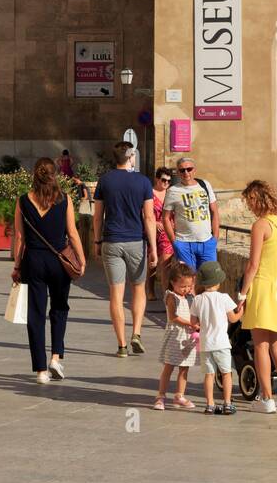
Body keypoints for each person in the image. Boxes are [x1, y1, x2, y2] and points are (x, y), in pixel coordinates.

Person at [11, 158, 86, 384]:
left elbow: (20, 237)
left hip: (33, 260)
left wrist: (16, 266)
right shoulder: (65, 200)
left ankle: (41, 370)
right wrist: (81, 260)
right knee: (60, 308)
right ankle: (56, 357)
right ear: (56, 175)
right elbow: (72, 233)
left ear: (35, 175)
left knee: (36, 313)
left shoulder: (23, 201)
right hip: (58, 260)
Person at [236, 180, 277, 413]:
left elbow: (253, 264)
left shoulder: (261, 225)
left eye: (250, 201)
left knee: (261, 345)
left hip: (265, 287)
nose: (249, 206)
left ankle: (266, 398)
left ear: (258, 199)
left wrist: (242, 294)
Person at [92, 140, 158, 357]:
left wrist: (97, 241)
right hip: (136, 242)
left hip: (111, 241)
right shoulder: (143, 182)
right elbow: (149, 217)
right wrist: (154, 248)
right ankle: (136, 333)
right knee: (138, 289)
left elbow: (97, 216)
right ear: (131, 157)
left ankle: (121, 345)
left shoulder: (105, 181)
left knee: (116, 295)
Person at [189, 262, 243, 415]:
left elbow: (194, 323)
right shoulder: (224, 298)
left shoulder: (197, 300)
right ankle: (227, 403)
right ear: (218, 281)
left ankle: (210, 404)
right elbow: (233, 319)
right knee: (226, 373)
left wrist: (203, 324)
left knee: (209, 375)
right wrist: (241, 312)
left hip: (206, 344)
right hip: (222, 343)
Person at [162, 157, 220, 271]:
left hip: (207, 242)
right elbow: (165, 218)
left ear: (194, 170)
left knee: (209, 279)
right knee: (188, 281)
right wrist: (174, 242)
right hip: (184, 243)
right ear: (178, 172)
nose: (186, 173)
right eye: (182, 170)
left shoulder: (205, 185)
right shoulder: (173, 191)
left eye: (189, 169)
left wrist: (215, 237)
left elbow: (214, 211)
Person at [154, 261, 197, 410]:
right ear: (172, 283)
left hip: (187, 338)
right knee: (169, 366)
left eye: (189, 286)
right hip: (175, 336)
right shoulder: (171, 296)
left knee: (184, 367)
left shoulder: (190, 297)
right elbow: (173, 317)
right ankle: (161, 396)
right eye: (182, 286)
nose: (186, 289)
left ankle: (179, 395)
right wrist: (191, 324)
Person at [146, 167, 175, 300]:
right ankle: (150, 290)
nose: (166, 183)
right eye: (163, 180)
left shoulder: (171, 194)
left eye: (169, 181)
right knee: (152, 263)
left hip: (167, 233)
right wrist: (155, 223)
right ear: (157, 179)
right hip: (152, 231)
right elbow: (144, 212)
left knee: (165, 264)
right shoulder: (149, 193)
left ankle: (166, 295)